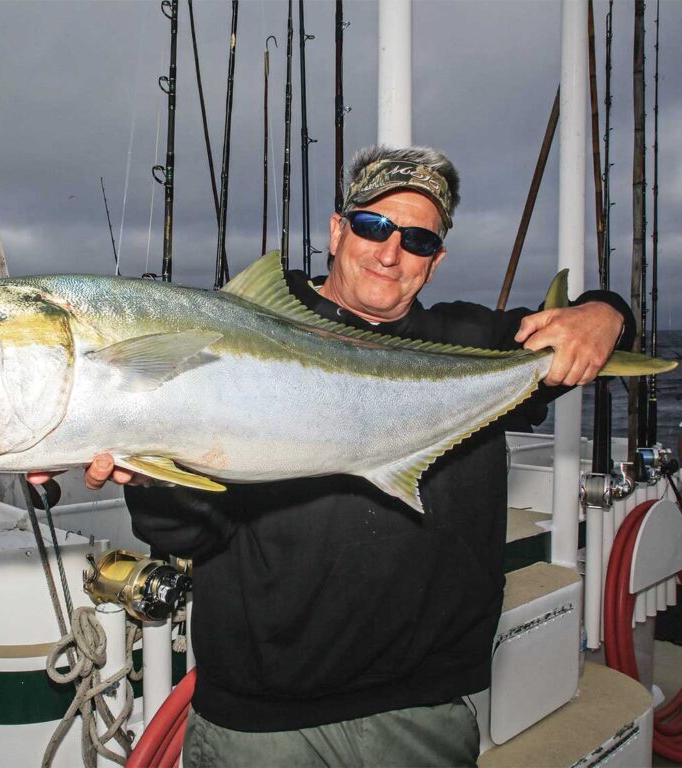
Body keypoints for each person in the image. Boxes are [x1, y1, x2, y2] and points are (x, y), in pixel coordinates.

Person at [32, 145, 634, 766]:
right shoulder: (233, 334)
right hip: (261, 719)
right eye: (373, 227)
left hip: (420, 708)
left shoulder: (472, 342)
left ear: (437, 259)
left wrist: (603, 312)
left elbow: (588, 337)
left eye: (418, 241)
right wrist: (152, 476)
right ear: (338, 230)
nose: (390, 252)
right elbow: (189, 532)